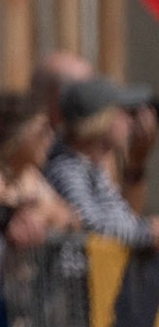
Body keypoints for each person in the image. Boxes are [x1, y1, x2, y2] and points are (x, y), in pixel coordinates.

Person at [44, 79, 159, 248]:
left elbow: (121, 217)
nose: (130, 122)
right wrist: (146, 232)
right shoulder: (65, 168)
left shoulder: (90, 168)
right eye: (126, 113)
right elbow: (90, 225)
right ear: (101, 120)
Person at [0, 92, 78, 235]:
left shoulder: (32, 178)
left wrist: (44, 213)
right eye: (42, 131)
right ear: (17, 136)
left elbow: (71, 218)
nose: (50, 138)